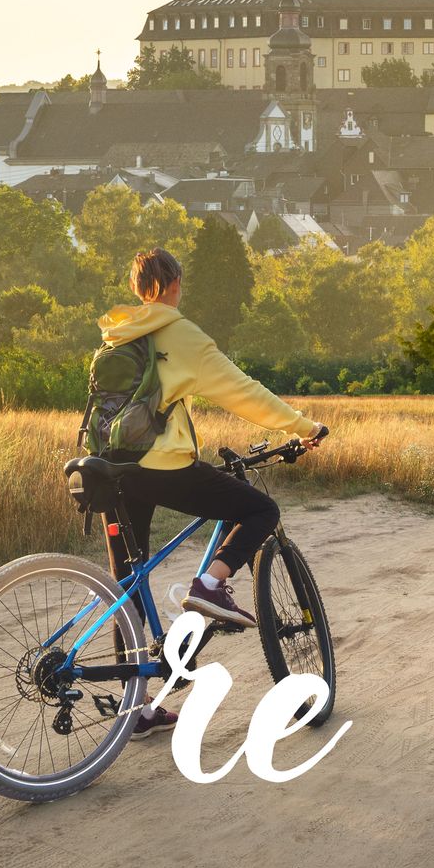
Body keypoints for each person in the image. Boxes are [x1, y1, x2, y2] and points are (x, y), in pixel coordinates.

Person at [95, 247, 328, 739]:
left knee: (127, 588)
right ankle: (210, 583)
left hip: (108, 470)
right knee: (260, 509)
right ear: (175, 283)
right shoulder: (178, 333)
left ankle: (135, 708)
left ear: (139, 288)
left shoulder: (117, 336)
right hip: (158, 467)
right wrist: (303, 425)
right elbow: (241, 390)